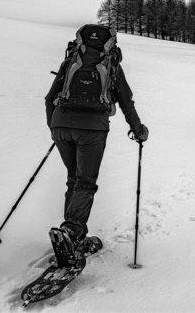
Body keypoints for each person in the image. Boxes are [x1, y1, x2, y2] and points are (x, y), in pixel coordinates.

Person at [45, 24, 148, 254]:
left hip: (62, 125)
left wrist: (54, 126)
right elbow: (126, 103)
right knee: (85, 181)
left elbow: (50, 97)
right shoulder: (110, 64)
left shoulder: (71, 61)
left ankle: (72, 236)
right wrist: (139, 131)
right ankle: (72, 231)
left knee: (74, 179)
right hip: (92, 129)